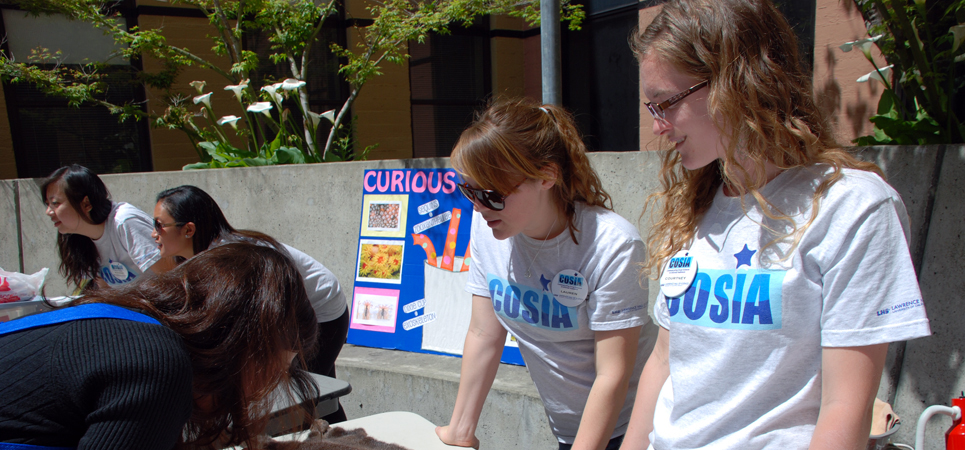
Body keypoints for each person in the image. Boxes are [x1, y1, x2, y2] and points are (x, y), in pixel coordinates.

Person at [621, 1, 931, 449]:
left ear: (736, 81)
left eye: (666, 103)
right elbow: (665, 361)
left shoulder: (850, 207)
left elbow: (846, 407)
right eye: (651, 106)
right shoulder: (696, 202)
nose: (657, 127)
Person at [435, 98, 657, 450]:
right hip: (569, 430)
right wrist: (460, 431)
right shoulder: (486, 228)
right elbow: (483, 334)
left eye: (491, 194)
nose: (477, 206)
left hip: (634, 429)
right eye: (469, 190)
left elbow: (612, 375)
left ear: (546, 176)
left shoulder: (613, 244)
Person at [0, 243, 320, 449]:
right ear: (243, 345)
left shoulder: (112, 321)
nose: (261, 392)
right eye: (274, 369)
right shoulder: (154, 366)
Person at [152, 185, 350, 423]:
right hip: (288, 315)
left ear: (189, 230)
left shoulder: (232, 258)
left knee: (304, 396)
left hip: (320, 312)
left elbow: (272, 310)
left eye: (158, 225)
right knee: (319, 393)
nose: (154, 234)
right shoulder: (191, 260)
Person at [42, 164, 174, 291]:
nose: (49, 212)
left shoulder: (124, 222)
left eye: (55, 203)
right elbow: (107, 293)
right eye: (48, 204)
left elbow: (172, 279)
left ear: (86, 203)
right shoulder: (81, 240)